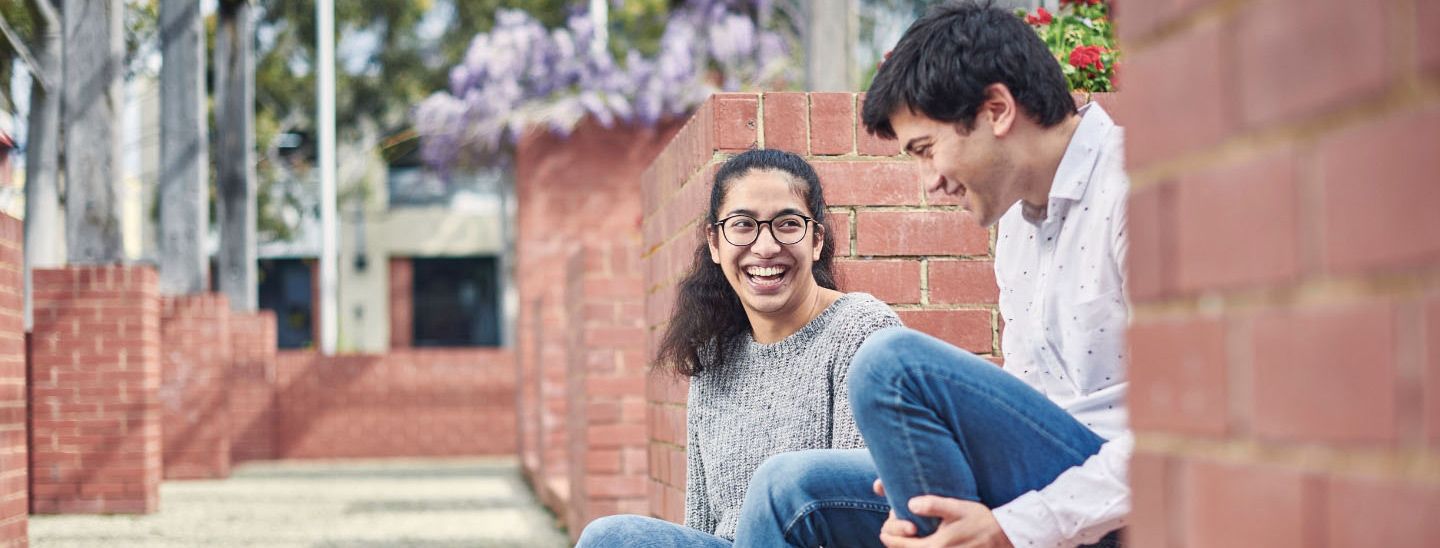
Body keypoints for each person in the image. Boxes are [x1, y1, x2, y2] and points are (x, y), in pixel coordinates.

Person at [734, 2, 1131, 547]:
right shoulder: (1018, 220)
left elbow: (1196, 432)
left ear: (997, 110)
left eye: (926, 150)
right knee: (789, 486)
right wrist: (918, 469)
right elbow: (1032, 399)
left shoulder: (1137, 188)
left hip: (1119, 503)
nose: (930, 182)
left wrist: (1014, 527)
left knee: (890, 364)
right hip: (1044, 477)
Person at [576, 149, 902, 547]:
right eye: (743, 225)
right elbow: (700, 522)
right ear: (715, 243)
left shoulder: (861, 328)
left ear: (816, 240)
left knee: (783, 481)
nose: (765, 246)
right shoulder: (715, 355)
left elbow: (861, 509)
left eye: (787, 224)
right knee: (610, 537)